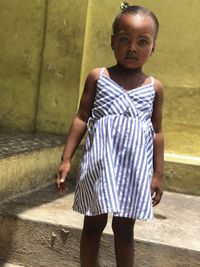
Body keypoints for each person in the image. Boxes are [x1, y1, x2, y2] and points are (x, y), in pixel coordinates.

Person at [56, 2, 164, 266]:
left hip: (133, 171)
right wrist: (66, 159)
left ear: (153, 47)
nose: (132, 48)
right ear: (112, 41)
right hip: (99, 167)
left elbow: (157, 133)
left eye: (142, 41)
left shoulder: (154, 88)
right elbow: (81, 118)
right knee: (92, 225)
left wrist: (158, 174)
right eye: (125, 40)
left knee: (125, 230)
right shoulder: (98, 77)